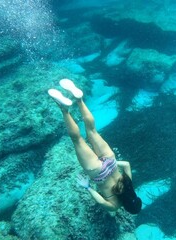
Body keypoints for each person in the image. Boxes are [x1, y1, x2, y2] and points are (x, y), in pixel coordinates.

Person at [48, 79, 142, 214]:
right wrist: (87, 187)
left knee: (92, 130)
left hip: (110, 162)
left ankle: (79, 99)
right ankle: (64, 110)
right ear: (127, 208)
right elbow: (101, 201)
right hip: (97, 172)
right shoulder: (115, 206)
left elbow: (126, 164)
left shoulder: (129, 185)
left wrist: (114, 163)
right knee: (77, 140)